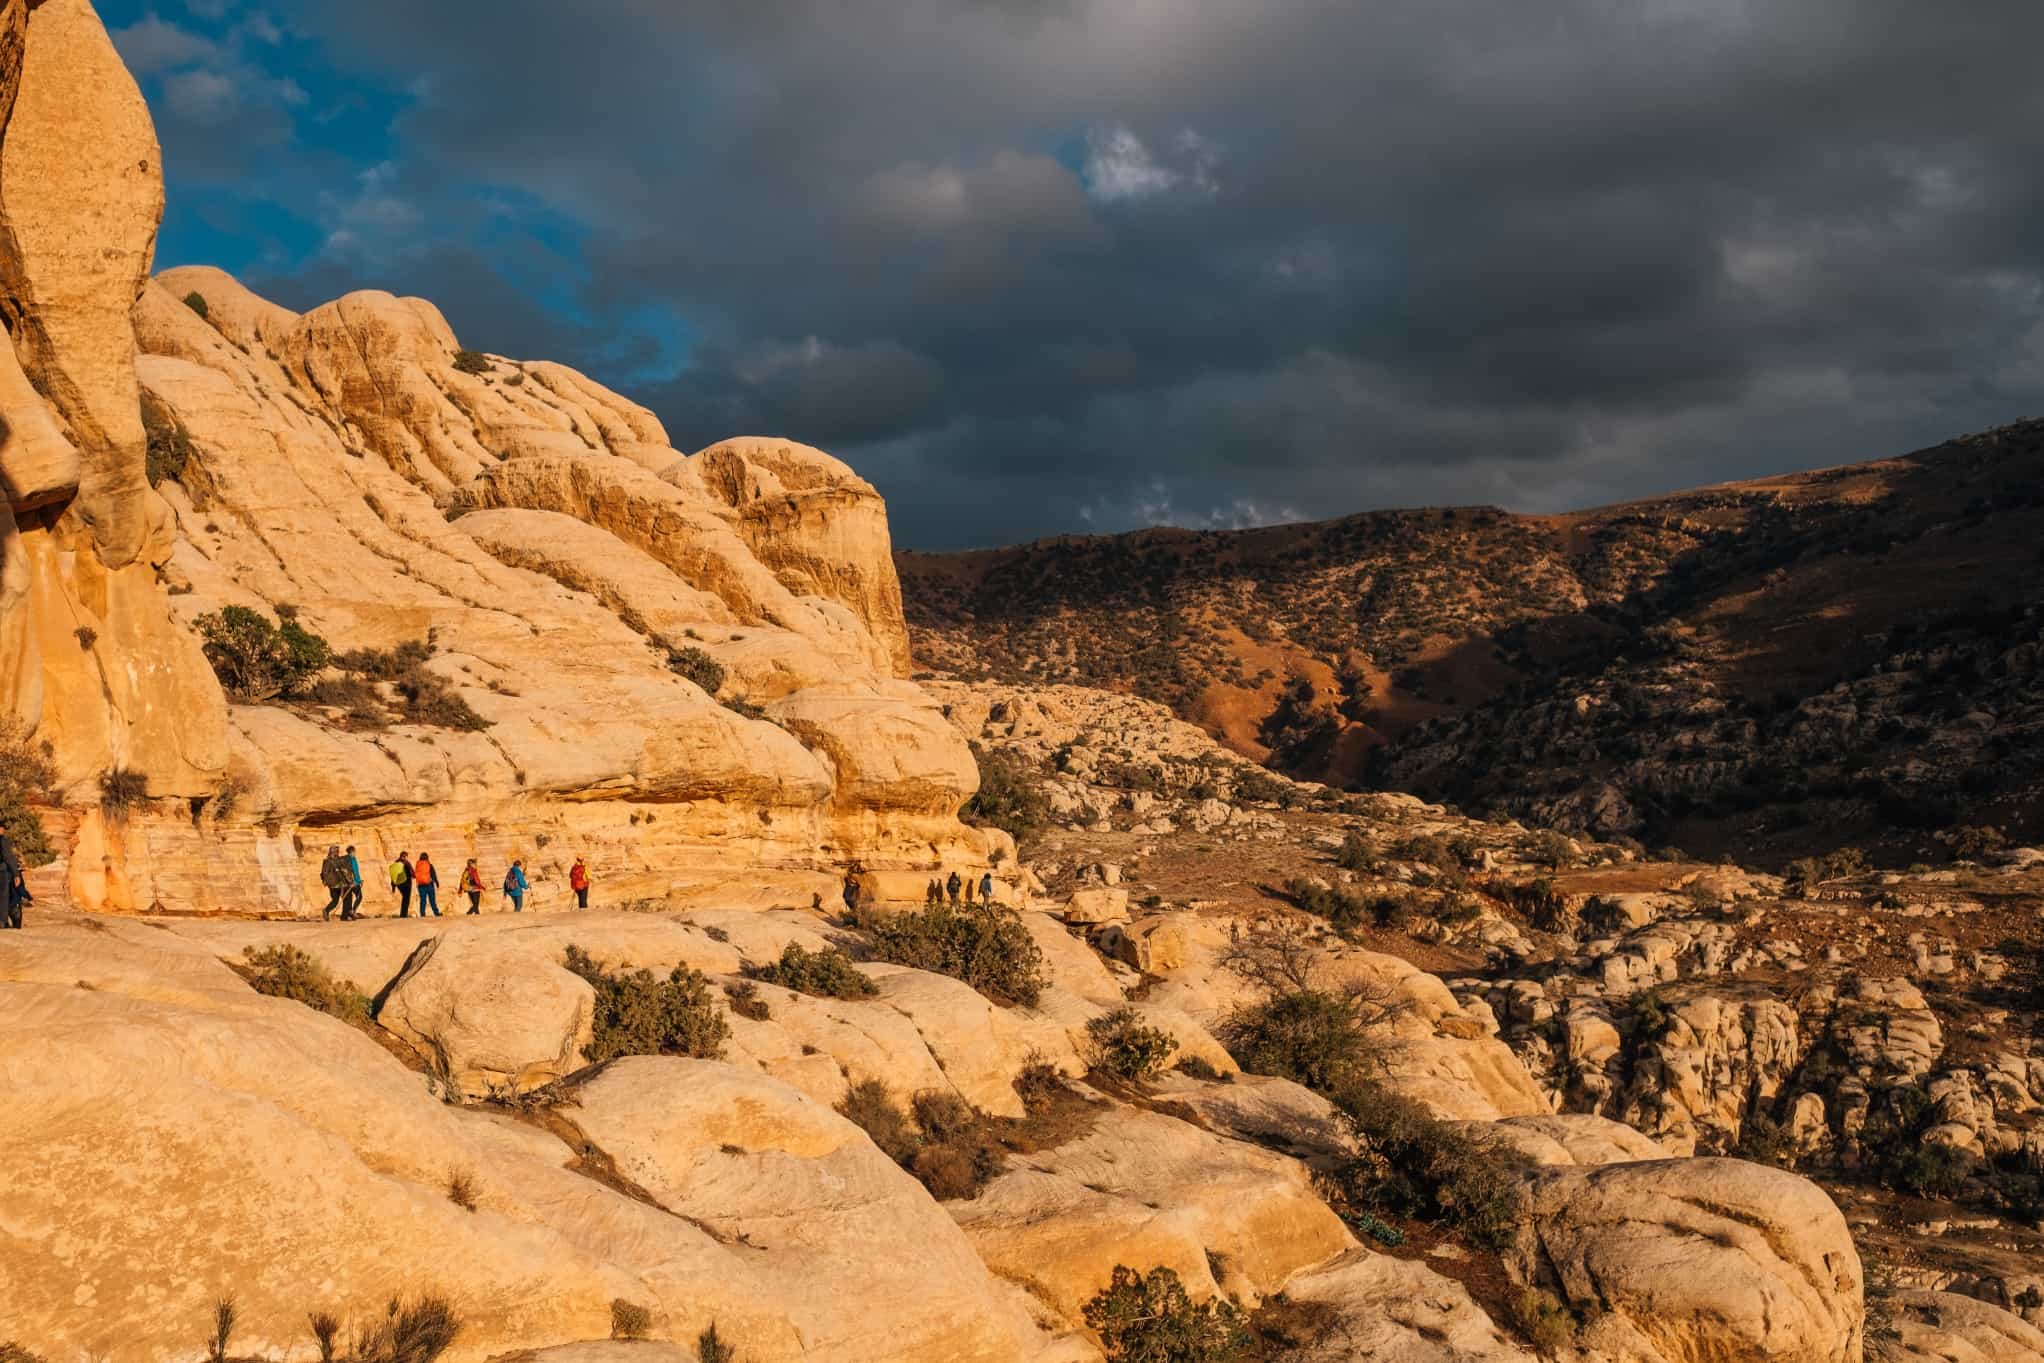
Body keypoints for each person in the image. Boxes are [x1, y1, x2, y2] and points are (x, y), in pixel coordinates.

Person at [0, 828, 23, 930]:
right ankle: (2, 922)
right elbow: (8, 856)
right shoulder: (2, 840)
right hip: (1, 871)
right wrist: (16, 874)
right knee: (3, 897)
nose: (3, 830)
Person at [319, 845, 348, 920]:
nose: (338, 852)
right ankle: (328, 911)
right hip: (336, 884)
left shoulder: (329, 861)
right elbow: (326, 873)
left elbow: (322, 873)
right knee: (340, 899)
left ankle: (328, 911)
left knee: (338, 900)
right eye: (337, 851)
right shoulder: (332, 861)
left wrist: (324, 881)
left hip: (335, 884)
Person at [413, 852, 441, 917]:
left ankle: (422, 913)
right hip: (429, 884)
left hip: (420, 885)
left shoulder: (418, 865)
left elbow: (416, 874)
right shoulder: (429, 865)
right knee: (432, 900)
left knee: (423, 900)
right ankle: (436, 913)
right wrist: (436, 882)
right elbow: (433, 874)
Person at [341, 845, 364, 920]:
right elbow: (355, 871)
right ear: (352, 851)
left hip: (346, 882)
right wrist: (359, 880)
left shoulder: (344, 859)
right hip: (354, 882)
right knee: (359, 896)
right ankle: (352, 912)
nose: (355, 853)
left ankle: (346, 915)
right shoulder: (352, 859)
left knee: (348, 899)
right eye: (354, 852)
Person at [391, 852, 414, 918]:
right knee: (406, 899)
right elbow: (411, 872)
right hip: (407, 883)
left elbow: (393, 875)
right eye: (406, 856)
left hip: (399, 884)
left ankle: (403, 914)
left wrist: (393, 886)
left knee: (404, 898)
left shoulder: (395, 863)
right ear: (405, 856)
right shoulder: (406, 863)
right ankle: (404, 914)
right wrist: (414, 876)